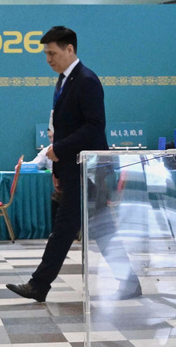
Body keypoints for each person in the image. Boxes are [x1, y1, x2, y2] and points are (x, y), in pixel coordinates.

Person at [7, 26, 140, 303]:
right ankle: (129, 281)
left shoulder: (86, 80)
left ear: (70, 50)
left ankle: (39, 284)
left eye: (52, 53)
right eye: (45, 53)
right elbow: (64, 128)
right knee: (98, 228)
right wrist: (58, 167)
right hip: (74, 169)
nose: (48, 59)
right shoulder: (64, 81)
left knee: (67, 228)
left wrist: (60, 149)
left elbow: (95, 126)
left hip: (88, 170)